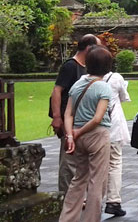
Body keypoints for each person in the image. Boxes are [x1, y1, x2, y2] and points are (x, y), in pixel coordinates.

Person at [59, 46, 113, 222]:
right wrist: (80, 131)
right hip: (97, 135)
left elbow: (68, 114)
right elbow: (98, 118)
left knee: (78, 179)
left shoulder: (78, 84)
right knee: (97, 182)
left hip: (78, 136)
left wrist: (70, 135)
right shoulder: (103, 87)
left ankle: (67, 218)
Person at [50, 33, 100, 193]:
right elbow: (57, 91)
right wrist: (57, 117)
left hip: (81, 120)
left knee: (80, 159)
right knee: (68, 159)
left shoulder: (85, 67)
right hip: (68, 119)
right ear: (88, 48)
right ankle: (66, 195)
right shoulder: (70, 66)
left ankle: (78, 195)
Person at [103, 69, 131, 217]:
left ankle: (88, 200)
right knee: (114, 163)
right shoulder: (115, 78)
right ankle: (113, 201)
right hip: (112, 126)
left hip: (90, 130)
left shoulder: (83, 80)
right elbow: (123, 97)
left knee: (92, 165)